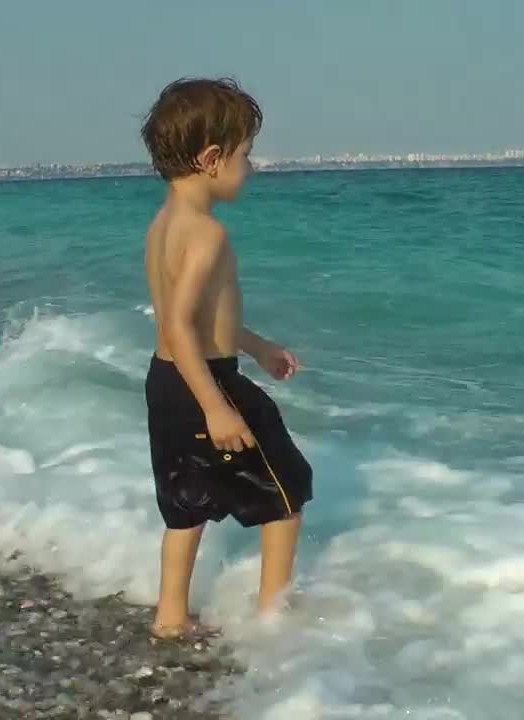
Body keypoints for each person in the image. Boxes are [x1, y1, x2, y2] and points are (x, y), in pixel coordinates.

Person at [140, 78, 312, 640]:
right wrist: (216, 406)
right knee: (287, 487)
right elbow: (180, 327)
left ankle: (170, 618)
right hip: (205, 382)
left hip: (167, 382)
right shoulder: (207, 234)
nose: (251, 168)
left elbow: (199, 321)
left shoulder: (162, 225)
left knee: (185, 504)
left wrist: (258, 347)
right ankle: (273, 618)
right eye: (246, 155)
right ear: (212, 159)